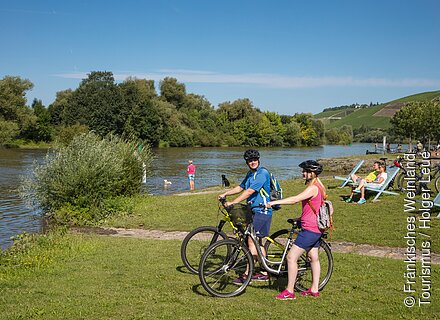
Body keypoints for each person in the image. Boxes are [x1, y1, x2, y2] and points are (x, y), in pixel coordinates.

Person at [266, 160, 325, 300]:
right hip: (317, 228)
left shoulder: (313, 188)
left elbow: (295, 199)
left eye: (305, 171)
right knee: (313, 258)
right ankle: (314, 289)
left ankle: (289, 291)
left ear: (313, 173)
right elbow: (314, 207)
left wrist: (274, 202)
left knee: (291, 257)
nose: (303, 173)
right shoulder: (320, 186)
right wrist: (301, 218)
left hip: (310, 230)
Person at [218, 149, 272, 283]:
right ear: (247, 162)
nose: (252, 162)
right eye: (250, 160)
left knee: (250, 240)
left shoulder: (262, 173)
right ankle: (265, 271)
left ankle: (248, 273)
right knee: (257, 242)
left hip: (262, 211)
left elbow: (249, 191)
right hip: (253, 211)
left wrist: (234, 202)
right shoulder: (250, 174)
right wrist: (226, 194)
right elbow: (241, 187)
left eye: (254, 160)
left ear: (258, 160)